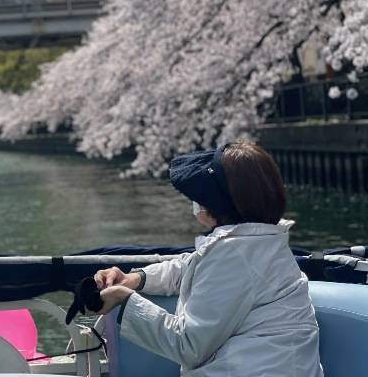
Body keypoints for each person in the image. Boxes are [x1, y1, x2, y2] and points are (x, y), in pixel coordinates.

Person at [93, 143, 323, 376]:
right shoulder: (261, 240)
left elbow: (187, 346)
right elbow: (192, 266)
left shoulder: (235, 253)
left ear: (218, 202)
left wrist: (125, 299)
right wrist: (137, 278)